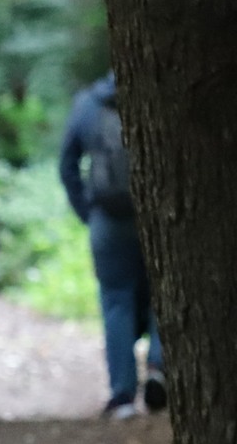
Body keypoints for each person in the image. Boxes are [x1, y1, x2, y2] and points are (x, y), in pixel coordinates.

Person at [59, 71, 164, 419]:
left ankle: (122, 396)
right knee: (162, 296)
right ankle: (159, 369)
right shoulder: (159, 93)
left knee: (116, 300)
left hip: (108, 216)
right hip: (157, 215)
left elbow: (67, 164)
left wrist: (87, 211)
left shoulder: (89, 103)